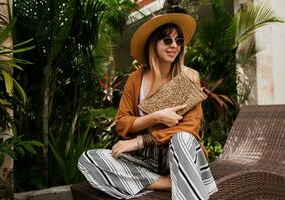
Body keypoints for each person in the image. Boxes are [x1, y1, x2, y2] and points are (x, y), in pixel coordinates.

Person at [78, 7, 218, 200]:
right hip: (147, 160)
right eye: (167, 40)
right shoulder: (136, 79)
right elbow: (121, 122)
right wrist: (156, 117)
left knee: (182, 138)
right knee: (89, 160)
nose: (174, 46)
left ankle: (173, 179)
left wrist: (141, 140)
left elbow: (191, 128)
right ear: (153, 43)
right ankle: (169, 183)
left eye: (178, 41)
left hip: (183, 157)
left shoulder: (188, 77)